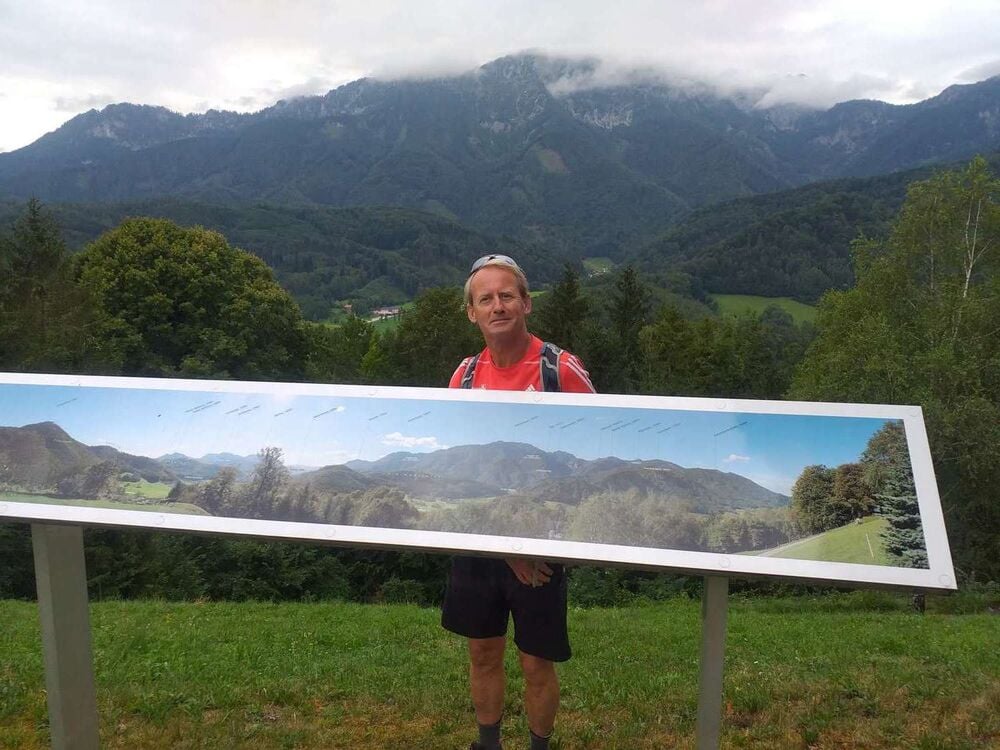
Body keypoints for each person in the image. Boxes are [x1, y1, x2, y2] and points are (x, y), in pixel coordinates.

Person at [442, 254, 595, 750]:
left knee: (535, 662)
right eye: (485, 299)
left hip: (541, 548)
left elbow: (591, 462)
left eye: (507, 295)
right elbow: (460, 469)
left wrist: (532, 544)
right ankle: (487, 743)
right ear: (472, 313)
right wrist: (503, 546)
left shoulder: (560, 370)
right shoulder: (464, 376)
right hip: (479, 541)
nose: (498, 306)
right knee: (482, 653)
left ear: (526, 303)